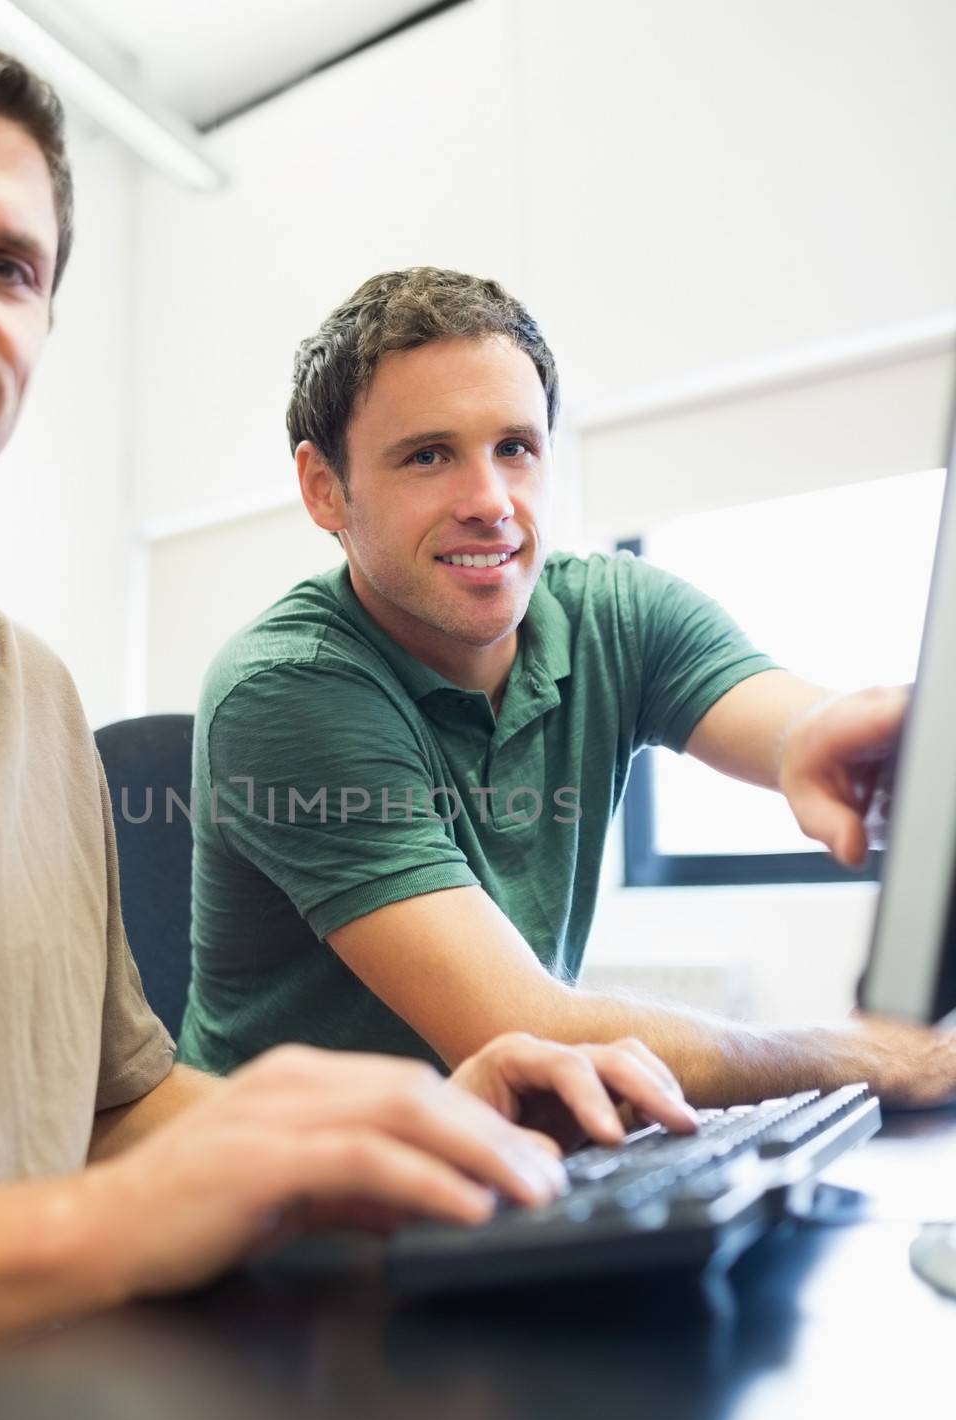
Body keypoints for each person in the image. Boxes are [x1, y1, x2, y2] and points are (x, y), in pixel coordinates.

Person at [0, 23, 699, 1420]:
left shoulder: (31, 696)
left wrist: (385, 1123)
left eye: (9, 266)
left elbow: (117, 1109)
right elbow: (105, 1203)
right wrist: (97, 1237)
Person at [178, 268, 945, 1107]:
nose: (490, 502)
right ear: (325, 488)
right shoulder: (288, 687)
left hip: (502, 1163)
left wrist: (827, 746)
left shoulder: (615, 613)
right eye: (428, 456)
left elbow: (799, 728)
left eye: (515, 447)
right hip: (296, 1209)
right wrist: (865, 1055)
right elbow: (525, 1029)